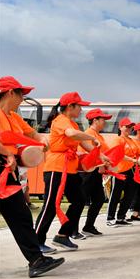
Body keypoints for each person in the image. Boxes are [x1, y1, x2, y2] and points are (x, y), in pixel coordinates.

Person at [0, 76, 65, 277]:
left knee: (20, 214)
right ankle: (36, 260)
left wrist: (43, 141)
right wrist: (8, 152)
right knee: (19, 214)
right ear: (10, 92)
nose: (23, 99)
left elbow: (33, 135)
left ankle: (36, 260)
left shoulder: (14, 117)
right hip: (3, 166)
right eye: (22, 94)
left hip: (6, 170)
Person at [35, 92, 104, 251]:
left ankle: (63, 236)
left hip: (70, 169)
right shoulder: (60, 121)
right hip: (56, 168)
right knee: (51, 204)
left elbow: (86, 146)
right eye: (79, 106)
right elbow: (73, 135)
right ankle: (37, 242)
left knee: (79, 200)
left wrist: (102, 157)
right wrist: (90, 137)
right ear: (70, 107)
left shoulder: (73, 124)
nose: (81, 109)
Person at [79, 108, 112, 237]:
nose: (105, 122)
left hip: (96, 172)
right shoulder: (88, 133)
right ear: (95, 120)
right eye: (103, 119)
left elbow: (106, 153)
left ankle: (88, 226)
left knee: (98, 200)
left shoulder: (99, 136)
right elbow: (90, 153)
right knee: (80, 201)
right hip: (87, 171)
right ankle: (72, 230)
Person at [106, 117, 140, 227]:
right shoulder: (117, 140)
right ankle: (110, 218)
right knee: (115, 195)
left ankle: (121, 217)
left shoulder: (132, 141)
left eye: (131, 127)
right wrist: (133, 160)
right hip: (120, 170)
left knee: (129, 195)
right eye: (127, 126)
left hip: (131, 170)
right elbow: (118, 154)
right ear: (120, 127)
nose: (129, 128)